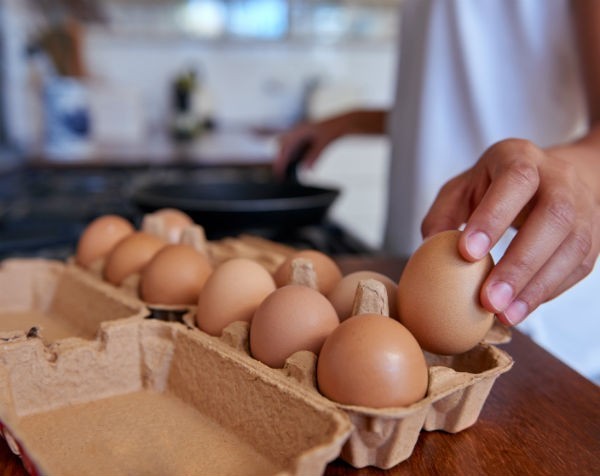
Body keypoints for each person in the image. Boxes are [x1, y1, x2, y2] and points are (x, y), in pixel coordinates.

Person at [275, 0, 599, 378]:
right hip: (412, 288)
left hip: (528, 323)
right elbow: (449, 99)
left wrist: (567, 175)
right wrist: (353, 121)